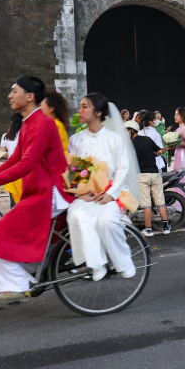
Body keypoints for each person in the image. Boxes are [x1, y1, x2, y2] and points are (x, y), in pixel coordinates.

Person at [0, 76, 71, 304]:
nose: (10, 96)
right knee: (13, 234)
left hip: (50, 192)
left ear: (29, 96)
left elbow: (26, 164)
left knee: (0, 232)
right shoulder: (29, 123)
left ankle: (15, 287)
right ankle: (27, 275)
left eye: (14, 91)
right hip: (39, 190)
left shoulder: (43, 123)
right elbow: (14, 160)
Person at [66, 92, 140, 282]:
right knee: (77, 215)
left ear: (98, 112)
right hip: (87, 195)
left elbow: (123, 168)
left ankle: (123, 262)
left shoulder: (114, 139)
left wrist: (111, 193)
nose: (79, 110)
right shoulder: (76, 140)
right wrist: (80, 193)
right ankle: (95, 263)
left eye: (85, 106)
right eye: (80, 106)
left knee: (106, 222)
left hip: (110, 193)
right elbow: (73, 169)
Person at [126, 120, 171, 236]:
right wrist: (168, 148)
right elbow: (158, 152)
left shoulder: (130, 145)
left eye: (126, 131)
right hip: (155, 174)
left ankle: (149, 229)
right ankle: (166, 227)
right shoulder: (147, 139)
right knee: (160, 201)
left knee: (146, 204)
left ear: (131, 131)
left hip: (142, 176)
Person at [0, 113, 23, 203]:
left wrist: (10, 154)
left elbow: (2, 153)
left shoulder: (6, 136)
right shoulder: (25, 134)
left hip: (11, 168)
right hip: (23, 167)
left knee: (13, 196)